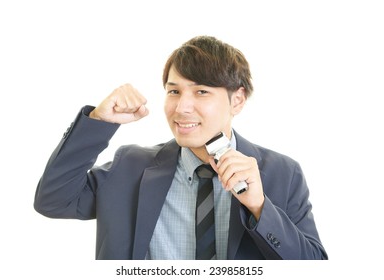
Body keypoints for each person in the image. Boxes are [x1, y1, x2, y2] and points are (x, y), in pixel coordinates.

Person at [34, 35, 328, 260]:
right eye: (174, 91)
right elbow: (53, 199)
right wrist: (98, 122)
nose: (181, 107)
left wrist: (260, 207)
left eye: (201, 91)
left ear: (237, 100)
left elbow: (314, 265)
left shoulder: (281, 173)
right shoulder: (130, 166)